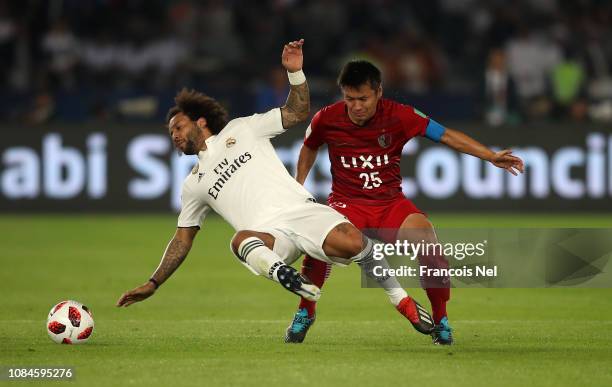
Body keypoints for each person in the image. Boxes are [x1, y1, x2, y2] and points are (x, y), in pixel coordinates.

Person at [116, 41, 436, 340]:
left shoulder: (243, 129)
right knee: (239, 239)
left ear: (200, 122)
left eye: (178, 126)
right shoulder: (193, 184)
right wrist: (153, 282)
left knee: (357, 243)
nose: (173, 135)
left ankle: (402, 300)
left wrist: (294, 73)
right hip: (270, 238)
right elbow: (181, 240)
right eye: (170, 132)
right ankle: (290, 278)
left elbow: (297, 112)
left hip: (301, 211)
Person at [287, 60, 525, 345]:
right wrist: (297, 185)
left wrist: (490, 155)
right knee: (318, 242)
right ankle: (306, 311)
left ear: (378, 92)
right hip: (347, 204)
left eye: (363, 98)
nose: (356, 106)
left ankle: (441, 320)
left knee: (428, 242)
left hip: (390, 204)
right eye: (350, 99)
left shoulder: (400, 115)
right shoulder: (326, 118)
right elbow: (309, 146)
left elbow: (446, 135)